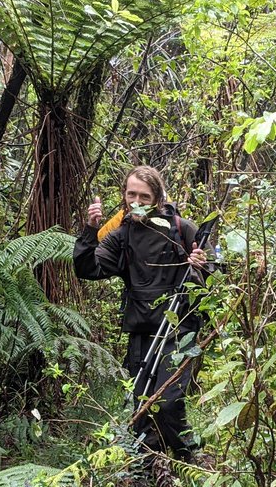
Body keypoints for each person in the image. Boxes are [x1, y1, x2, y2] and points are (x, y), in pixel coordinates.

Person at [73, 165, 209, 462]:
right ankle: (150, 472)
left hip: (179, 331)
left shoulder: (183, 229)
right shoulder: (120, 235)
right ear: (123, 194)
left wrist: (201, 264)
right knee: (143, 406)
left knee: (170, 402)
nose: (136, 201)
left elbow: (216, 276)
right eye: (131, 194)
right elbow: (87, 269)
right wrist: (89, 230)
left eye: (144, 197)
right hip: (141, 331)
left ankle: (193, 460)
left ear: (158, 198)